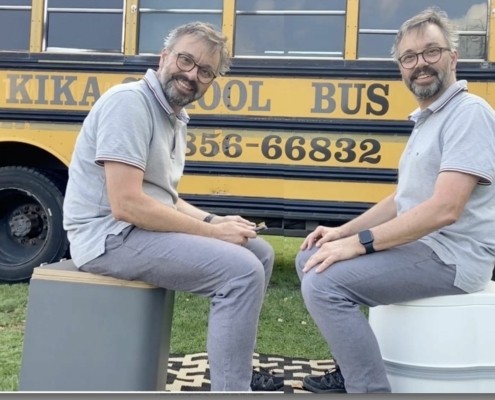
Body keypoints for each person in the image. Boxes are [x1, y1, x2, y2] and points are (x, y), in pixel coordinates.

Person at [63, 21, 283, 392]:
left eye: (205, 71)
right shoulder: (129, 104)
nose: (191, 74)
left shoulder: (172, 115)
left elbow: (165, 196)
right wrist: (214, 233)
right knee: (242, 272)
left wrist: (217, 218)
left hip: (133, 229)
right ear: (164, 57)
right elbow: (127, 204)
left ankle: (235, 370)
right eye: (186, 60)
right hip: (106, 237)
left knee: (258, 252)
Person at [295, 7, 495, 393]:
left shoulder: (469, 114)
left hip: (454, 256)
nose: (420, 64)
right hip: (426, 247)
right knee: (311, 257)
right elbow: (401, 200)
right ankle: (349, 367)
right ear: (401, 68)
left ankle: (370, 389)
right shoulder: (429, 117)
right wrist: (342, 233)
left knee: (325, 285)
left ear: (453, 58)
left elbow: (445, 209)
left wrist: (359, 245)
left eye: (431, 52)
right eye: (409, 57)